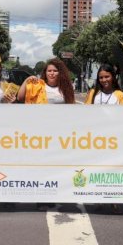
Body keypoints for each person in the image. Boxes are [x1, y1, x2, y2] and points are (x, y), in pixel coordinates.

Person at [17, 58, 75, 211]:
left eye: (55, 70)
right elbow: (20, 97)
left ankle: (52, 196)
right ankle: (41, 198)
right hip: (39, 134)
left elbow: (72, 111)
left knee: (54, 167)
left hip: (58, 135)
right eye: (49, 70)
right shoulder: (38, 85)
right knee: (40, 166)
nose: (52, 73)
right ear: (45, 72)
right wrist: (26, 80)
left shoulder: (66, 89)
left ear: (60, 72)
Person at [85, 64, 123, 214]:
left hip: (113, 138)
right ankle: (98, 198)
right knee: (97, 168)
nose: (104, 80)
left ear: (113, 77)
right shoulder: (93, 93)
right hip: (95, 138)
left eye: (107, 76)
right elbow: (85, 114)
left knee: (113, 169)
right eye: (101, 77)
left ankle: (114, 200)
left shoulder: (120, 95)